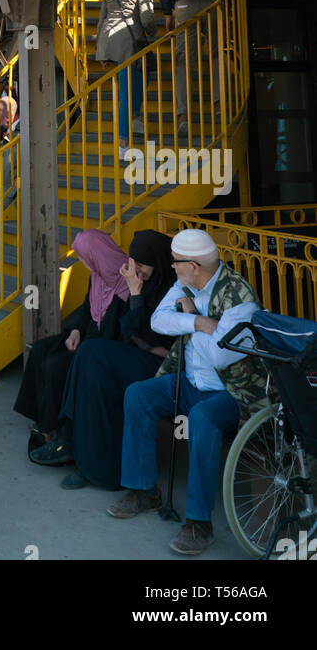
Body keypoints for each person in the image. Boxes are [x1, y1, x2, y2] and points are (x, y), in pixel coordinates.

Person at [108, 227, 262, 556]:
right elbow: (159, 322)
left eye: (176, 262)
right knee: (139, 394)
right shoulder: (185, 282)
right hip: (190, 382)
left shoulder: (240, 298)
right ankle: (143, 490)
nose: (171, 267)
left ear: (194, 265)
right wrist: (201, 324)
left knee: (202, 418)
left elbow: (222, 355)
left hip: (231, 393)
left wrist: (192, 314)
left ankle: (198, 522)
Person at [56, 230, 175, 489]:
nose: (136, 270)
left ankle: (87, 454)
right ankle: (85, 458)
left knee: (92, 354)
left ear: (159, 261)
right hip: (142, 355)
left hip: (164, 366)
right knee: (90, 362)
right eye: (134, 263)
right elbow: (133, 332)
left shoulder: (171, 289)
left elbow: (149, 336)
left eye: (142, 264)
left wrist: (135, 296)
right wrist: (137, 299)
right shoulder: (145, 283)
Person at [14, 229, 131, 459]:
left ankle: (54, 431)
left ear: (96, 255)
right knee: (40, 349)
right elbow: (87, 307)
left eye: (83, 257)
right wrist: (76, 329)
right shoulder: (99, 273)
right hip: (87, 334)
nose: (82, 262)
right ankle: (41, 417)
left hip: (103, 347)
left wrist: (85, 337)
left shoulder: (125, 282)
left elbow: (118, 331)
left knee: (56, 365)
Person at [160, 0, 232, 137]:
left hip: (185, 4)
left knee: (184, 62)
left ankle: (183, 116)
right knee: (216, 55)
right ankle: (219, 106)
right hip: (213, 1)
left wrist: (168, 12)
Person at [95, 0, 157, 159]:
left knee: (143, 77)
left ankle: (135, 117)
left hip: (110, 38)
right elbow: (147, 16)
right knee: (126, 93)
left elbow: (102, 18)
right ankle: (123, 144)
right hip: (131, 40)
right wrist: (152, 31)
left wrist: (101, 51)